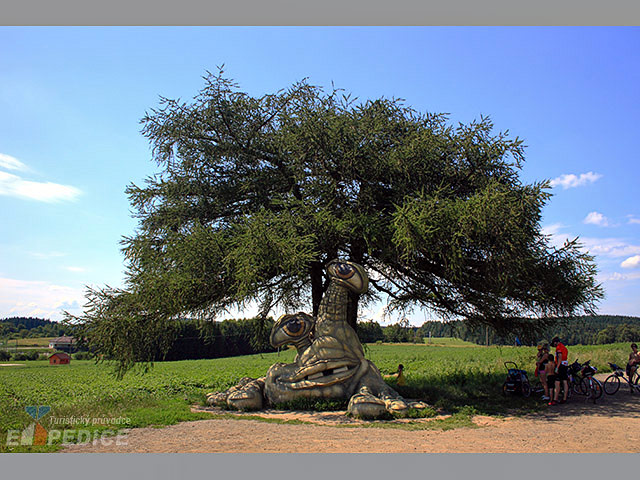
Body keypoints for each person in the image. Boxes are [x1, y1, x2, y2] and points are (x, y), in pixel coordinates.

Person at [551, 336, 569, 404]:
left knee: (557, 382)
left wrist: (557, 368)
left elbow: (560, 358)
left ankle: (555, 399)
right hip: (565, 365)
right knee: (565, 382)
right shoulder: (564, 347)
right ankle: (564, 398)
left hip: (560, 365)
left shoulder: (559, 348)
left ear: (556, 342)